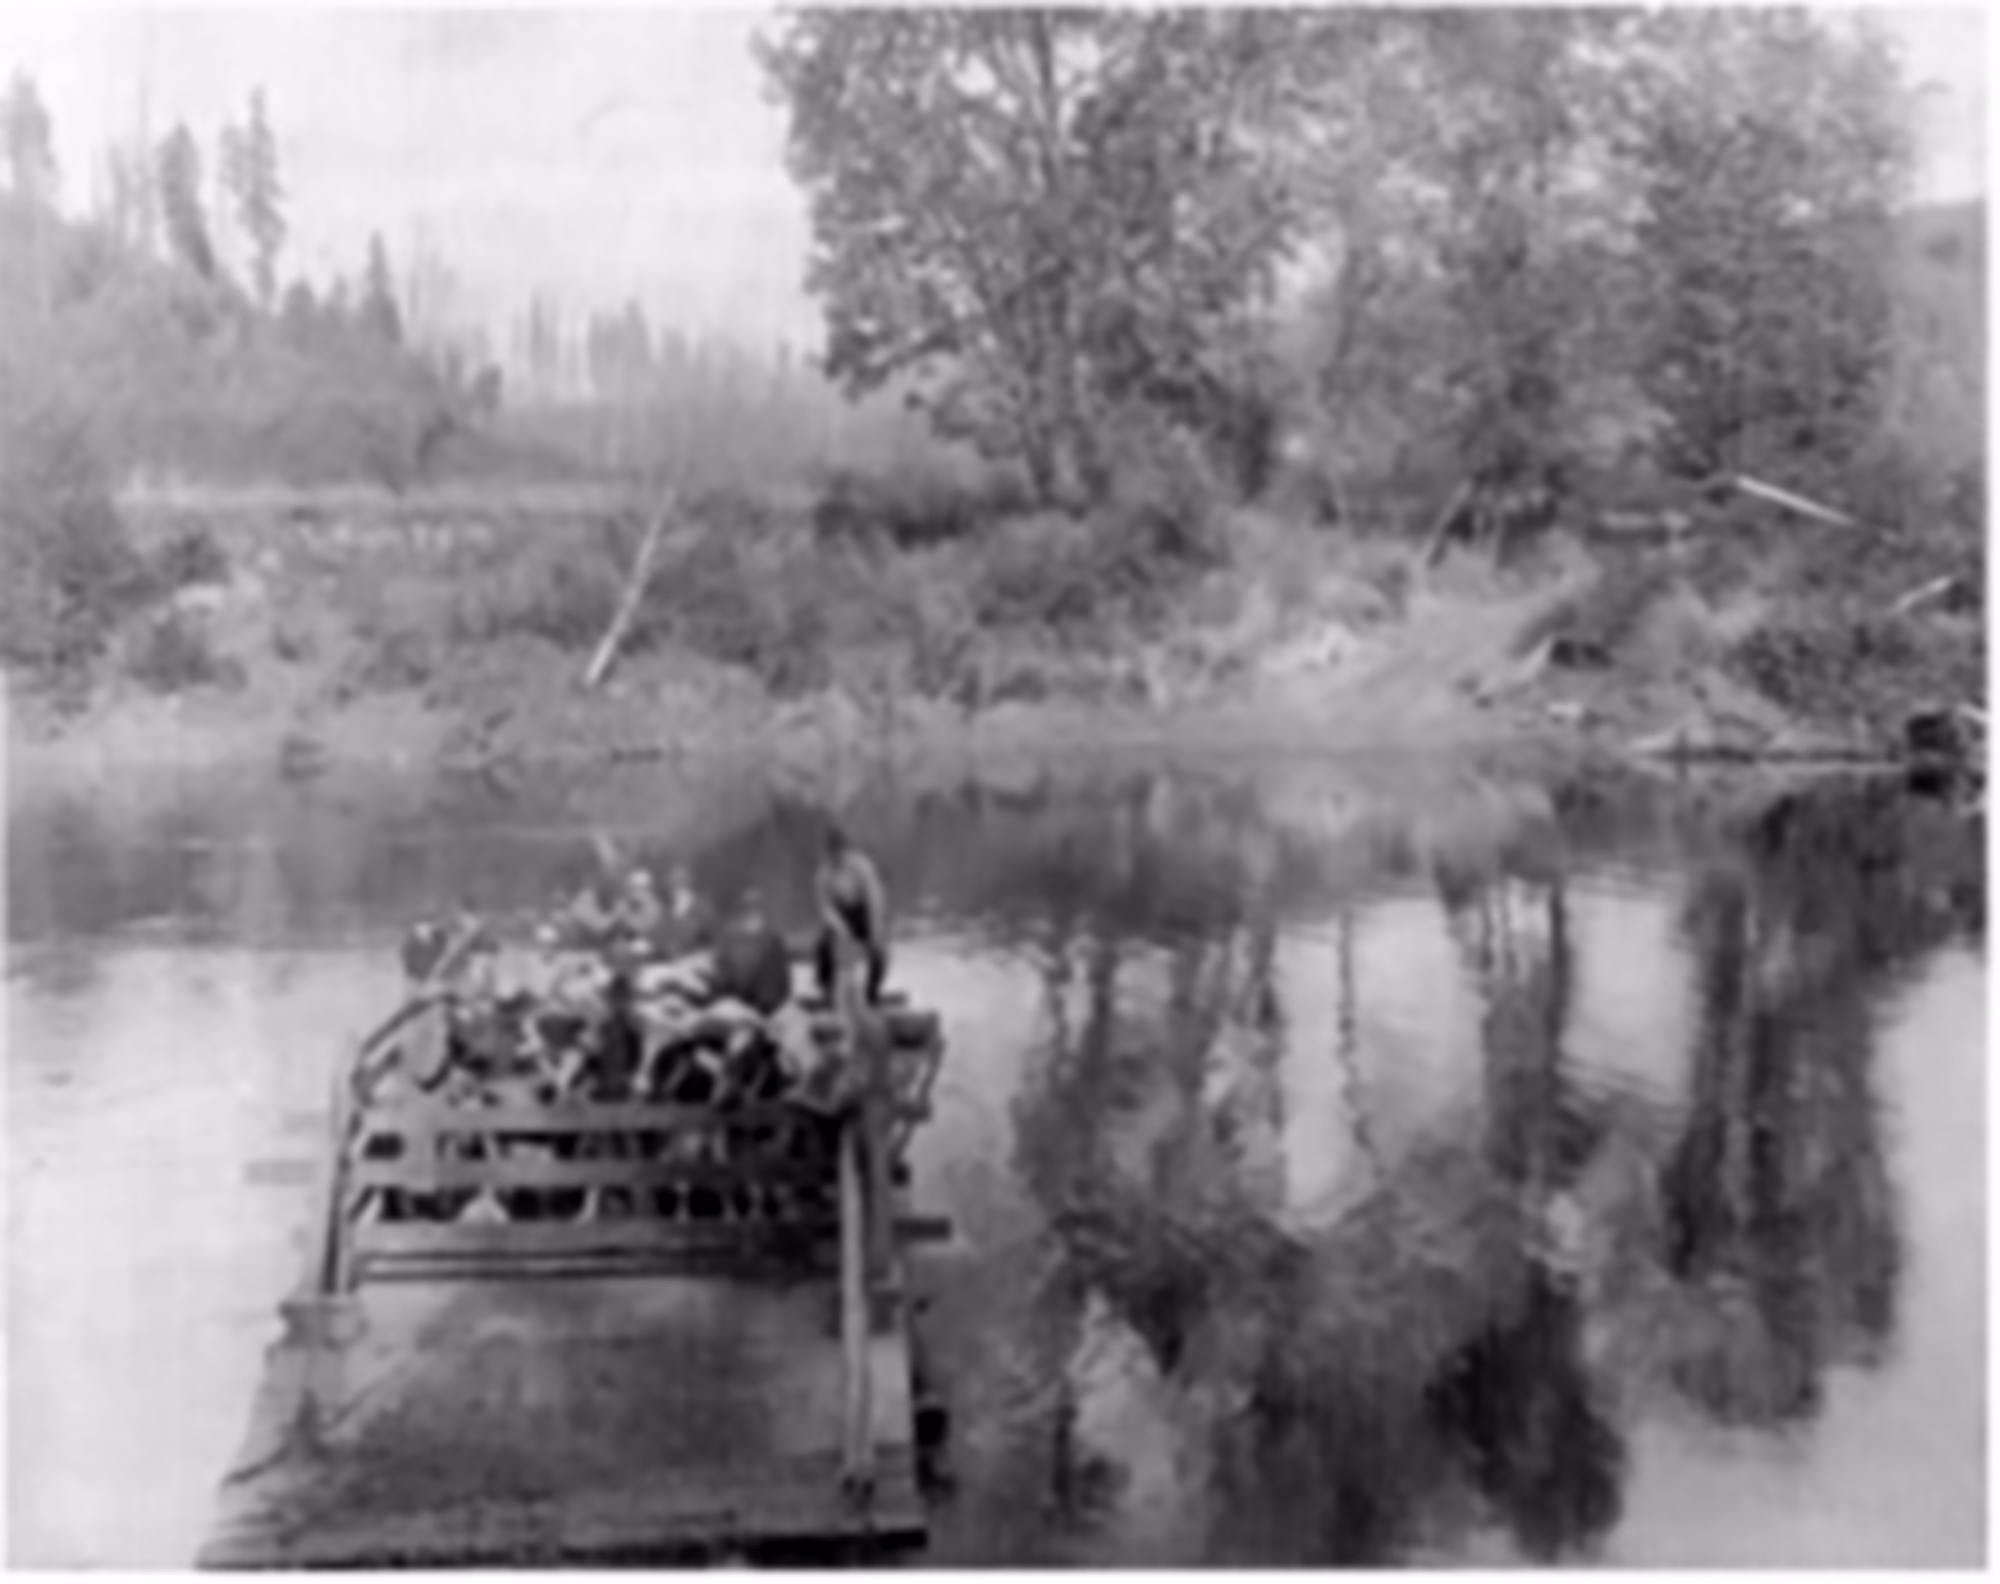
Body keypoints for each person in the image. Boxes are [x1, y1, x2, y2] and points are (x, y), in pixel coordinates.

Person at [815, 823, 889, 1006]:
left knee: (878, 951)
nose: (836, 857)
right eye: (832, 852)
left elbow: (875, 898)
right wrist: (840, 929)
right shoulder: (823, 875)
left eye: (839, 851)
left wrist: (875, 930)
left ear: (845, 849)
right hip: (842, 917)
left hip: (865, 912)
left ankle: (872, 992)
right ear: (827, 852)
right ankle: (828, 989)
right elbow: (826, 908)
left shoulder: (862, 867)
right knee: (824, 947)